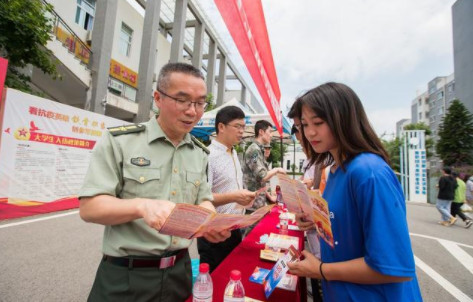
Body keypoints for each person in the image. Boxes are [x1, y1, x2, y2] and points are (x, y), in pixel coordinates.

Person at [78, 62, 230, 302]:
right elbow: (89, 208)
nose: (193, 111)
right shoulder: (120, 141)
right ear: (158, 98)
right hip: (125, 277)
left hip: (180, 272)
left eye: (200, 103)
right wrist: (141, 206)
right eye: (183, 100)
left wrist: (211, 221)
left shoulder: (199, 152)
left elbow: (203, 199)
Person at [287, 82, 423, 302]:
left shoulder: (369, 173)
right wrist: (317, 221)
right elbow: (349, 225)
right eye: (304, 124)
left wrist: (320, 270)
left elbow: (392, 266)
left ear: (343, 119)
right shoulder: (337, 169)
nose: (310, 132)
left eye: (318, 123)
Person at [197, 106, 256, 272]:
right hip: (214, 232)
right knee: (214, 280)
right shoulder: (208, 155)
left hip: (235, 227)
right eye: (237, 126)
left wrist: (244, 198)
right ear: (221, 127)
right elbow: (202, 197)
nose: (241, 131)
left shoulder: (234, 153)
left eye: (243, 127)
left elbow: (233, 187)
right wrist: (234, 197)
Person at [242, 120, 285, 213]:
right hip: (252, 205)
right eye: (270, 132)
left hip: (258, 204)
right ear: (261, 132)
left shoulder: (259, 150)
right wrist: (277, 169)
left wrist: (269, 196)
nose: (271, 135)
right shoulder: (254, 150)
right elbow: (263, 176)